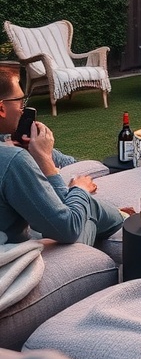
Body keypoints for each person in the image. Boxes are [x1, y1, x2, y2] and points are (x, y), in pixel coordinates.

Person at [0, 65, 124, 245]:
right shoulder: (12, 160)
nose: (22, 110)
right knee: (88, 209)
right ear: (2, 109)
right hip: (13, 257)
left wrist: (40, 153)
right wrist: (78, 189)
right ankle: (125, 220)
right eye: (21, 102)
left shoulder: (9, 147)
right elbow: (67, 228)